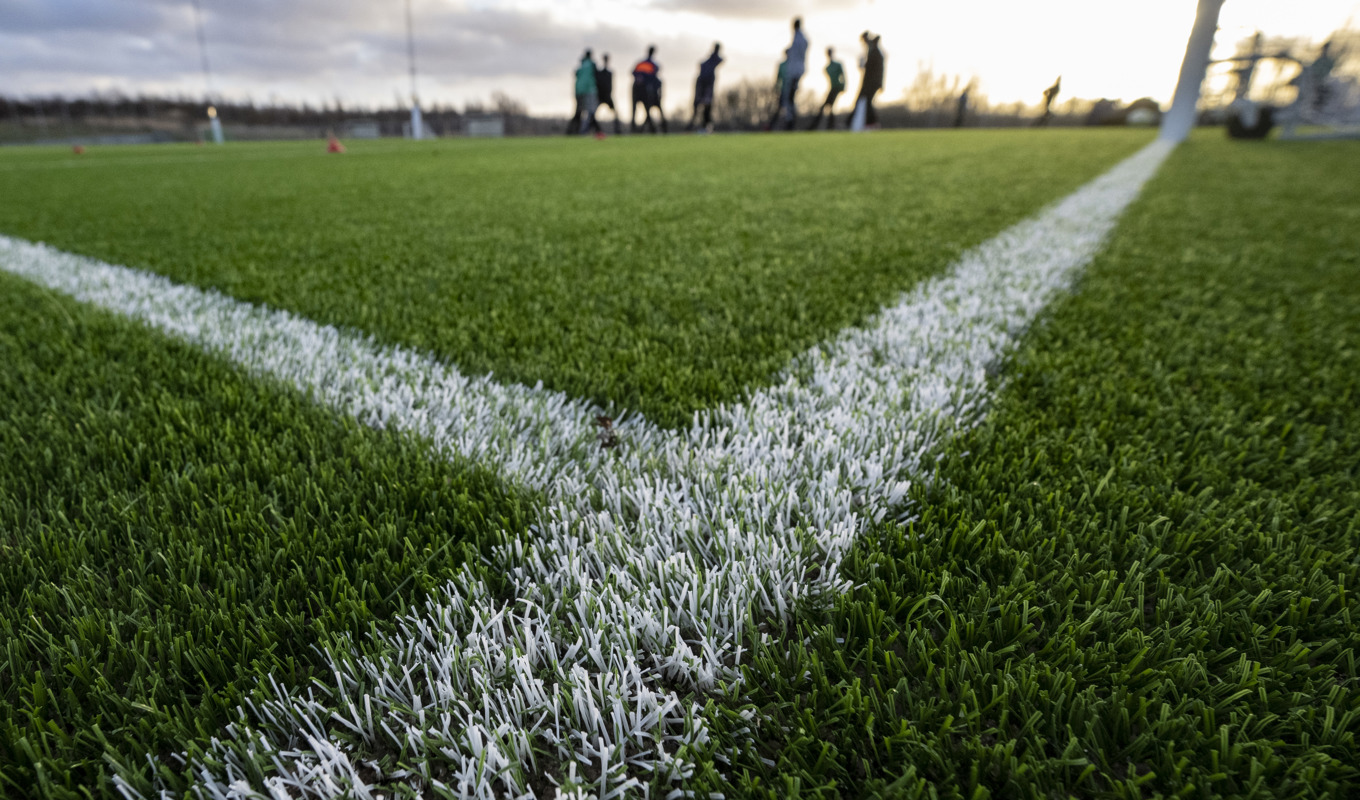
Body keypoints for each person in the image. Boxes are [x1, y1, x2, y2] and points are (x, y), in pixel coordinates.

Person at [778, 17, 809, 129]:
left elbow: (800, 51)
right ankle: (789, 119)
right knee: (789, 97)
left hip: (795, 71)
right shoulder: (798, 37)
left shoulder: (799, 38)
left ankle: (791, 121)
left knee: (790, 96)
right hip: (795, 70)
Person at [849, 31, 884, 130]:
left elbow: (872, 68)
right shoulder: (872, 51)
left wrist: (863, 64)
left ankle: (872, 123)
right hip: (869, 82)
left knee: (867, 102)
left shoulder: (875, 52)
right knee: (863, 101)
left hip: (871, 83)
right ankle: (856, 123)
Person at [631, 46, 667, 133]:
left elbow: (633, 72)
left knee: (638, 110)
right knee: (646, 110)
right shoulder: (653, 65)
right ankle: (652, 129)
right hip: (645, 90)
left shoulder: (640, 63)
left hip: (636, 88)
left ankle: (638, 129)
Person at [807, 46, 845, 130]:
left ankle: (830, 125)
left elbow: (843, 76)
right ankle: (826, 125)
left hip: (837, 88)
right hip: (832, 88)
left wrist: (843, 87)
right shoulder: (827, 68)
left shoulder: (838, 65)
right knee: (827, 106)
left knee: (829, 106)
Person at [688, 43, 723, 132]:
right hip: (702, 84)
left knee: (707, 106)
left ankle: (705, 126)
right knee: (698, 106)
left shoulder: (714, 59)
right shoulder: (707, 62)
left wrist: (715, 53)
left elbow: (721, 60)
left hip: (707, 84)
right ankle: (694, 126)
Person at [566, 49, 601, 135]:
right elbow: (597, 76)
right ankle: (586, 131)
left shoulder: (581, 65)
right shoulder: (592, 65)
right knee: (591, 112)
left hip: (578, 91)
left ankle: (572, 131)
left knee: (578, 112)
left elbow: (575, 74)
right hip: (589, 90)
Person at [595, 53, 623, 134]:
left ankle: (618, 131)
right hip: (600, 96)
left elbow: (611, 86)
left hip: (607, 96)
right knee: (592, 115)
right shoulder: (600, 73)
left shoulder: (609, 73)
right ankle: (597, 130)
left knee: (615, 114)